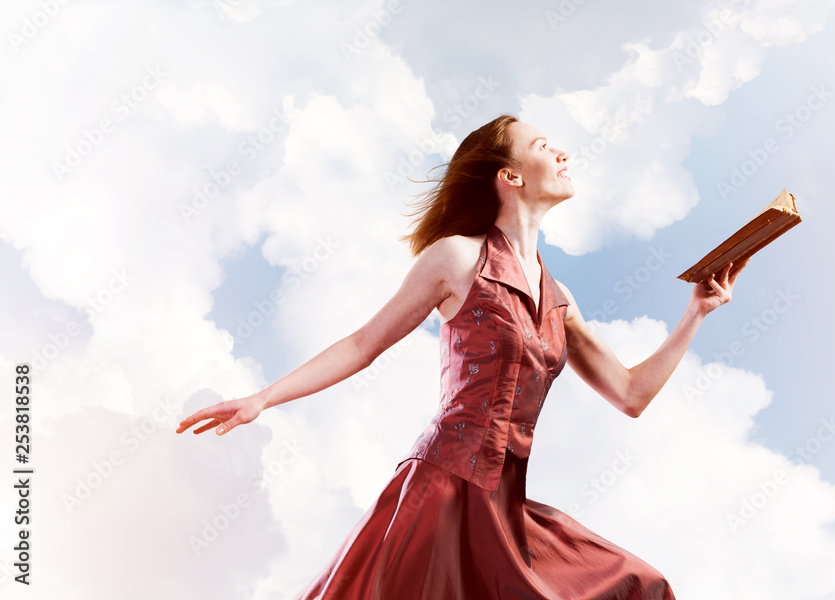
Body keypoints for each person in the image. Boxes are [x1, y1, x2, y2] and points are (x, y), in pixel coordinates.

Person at [176, 114, 746, 599]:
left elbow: (630, 394)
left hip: (508, 510)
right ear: (511, 176)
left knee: (640, 586)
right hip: (442, 491)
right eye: (545, 146)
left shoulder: (558, 298)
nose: (564, 152)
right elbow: (362, 344)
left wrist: (694, 313)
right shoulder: (455, 258)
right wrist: (262, 398)